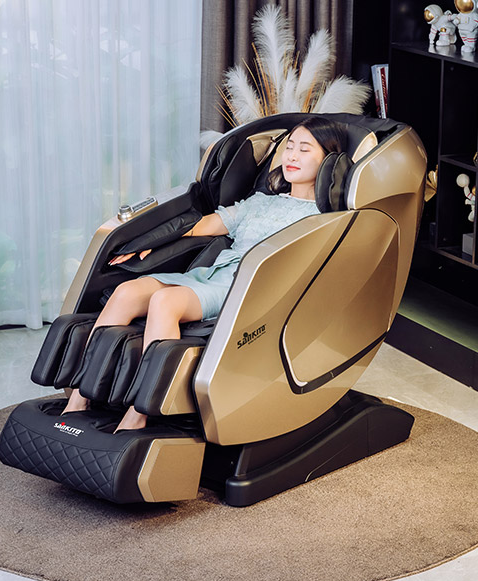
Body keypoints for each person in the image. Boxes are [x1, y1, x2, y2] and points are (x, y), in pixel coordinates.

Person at [63, 116, 348, 431]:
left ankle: (140, 412)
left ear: (328, 160)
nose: (291, 156)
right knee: (126, 292)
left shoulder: (322, 218)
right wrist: (143, 243)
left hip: (245, 287)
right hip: (211, 276)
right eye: (290, 146)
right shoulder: (260, 203)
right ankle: (78, 398)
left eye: (305, 149)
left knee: (165, 302)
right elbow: (198, 227)